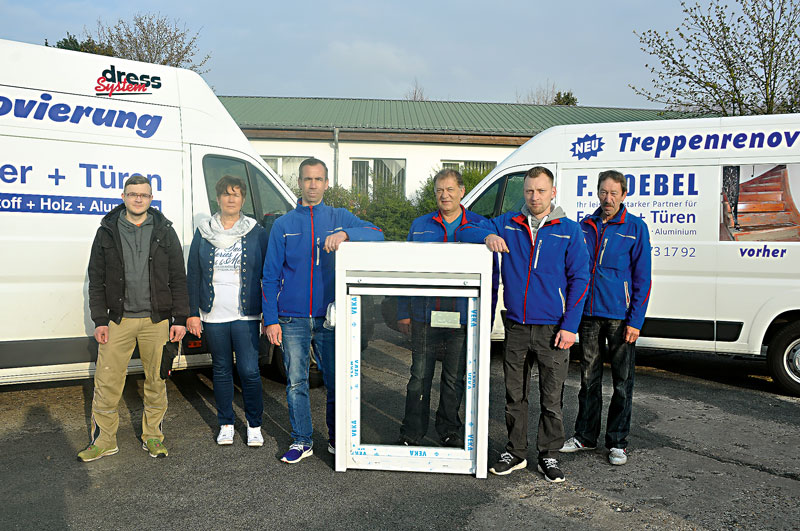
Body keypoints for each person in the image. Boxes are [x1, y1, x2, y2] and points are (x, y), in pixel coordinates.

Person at [457, 166, 590, 482]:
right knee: (514, 395)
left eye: (541, 190)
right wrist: (487, 235)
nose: (534, 196)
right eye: (529, 191)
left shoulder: (569, 230)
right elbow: (465, 230)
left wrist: (570, 326)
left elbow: (581, 279)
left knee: (551, 398)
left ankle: (549, 455)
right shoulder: (508, 223)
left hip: (553, 330)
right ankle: (515, 452)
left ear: (552, 192)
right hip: (516, 325)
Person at [262, 158, 384, 464]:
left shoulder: (339, 217)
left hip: (330, 317)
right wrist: (271, 318)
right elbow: (269, 275)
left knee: (334, 380)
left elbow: (377, 233)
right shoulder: (283, 225)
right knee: (296, 382)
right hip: (292, 318)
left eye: (318, 179)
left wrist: (346, 235)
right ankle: (302, 440)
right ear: (299, 184)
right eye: (307, 179)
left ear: (326, 184)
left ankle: (335, 439)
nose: (312, 184)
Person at [79, 174, 188, 462]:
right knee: (107, 381)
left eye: (144, 195)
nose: (138, 199)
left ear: (151, 198)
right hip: (118, 320)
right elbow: (96, 278)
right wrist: (99, 320)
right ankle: (103, 441)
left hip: (157, 321)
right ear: (123, 197)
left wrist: (179, 318)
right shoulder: (107, 231)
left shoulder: (164, 231)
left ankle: (153, 436)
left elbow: (178, 277)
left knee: (156, 380)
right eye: (132, 194)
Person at [396, 169, 494, 448]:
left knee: (453, 379)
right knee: (418, 377)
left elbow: (492, 276)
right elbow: (406, 272)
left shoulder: (480, 226)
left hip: (463, 318)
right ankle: (412, 431)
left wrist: (484, 317)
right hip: (424, 315)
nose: (444, 195)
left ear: (462, 191)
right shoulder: (421, 225)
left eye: (450, 189)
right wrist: (403, 311)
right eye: (440, 190)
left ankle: (449, 429)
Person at [560, 170, 652, 466]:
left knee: (622, 382)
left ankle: (617, 442)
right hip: (588, 315)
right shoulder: (584, 226)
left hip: (620, 317)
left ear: (624, 195)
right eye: (603, 192)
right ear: (596, 193)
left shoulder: (636, 228)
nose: (608, 198)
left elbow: (643, 278)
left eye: (614, 193)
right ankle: (585, 436)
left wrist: (636, 320)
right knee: (588, 379)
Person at [186, 175, 269, 447]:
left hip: (245, 314)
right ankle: (226, 423)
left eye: (236, 194)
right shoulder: (204, 231)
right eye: (226, 194)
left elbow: (268, 274)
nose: (231, 199)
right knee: (221, 369)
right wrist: (192, 313)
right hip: (213, 314)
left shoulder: (256, 231)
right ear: (218, 198)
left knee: (248, 370)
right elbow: (193, 274)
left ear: (242, 199)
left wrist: (269, 311)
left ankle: (254, 424)